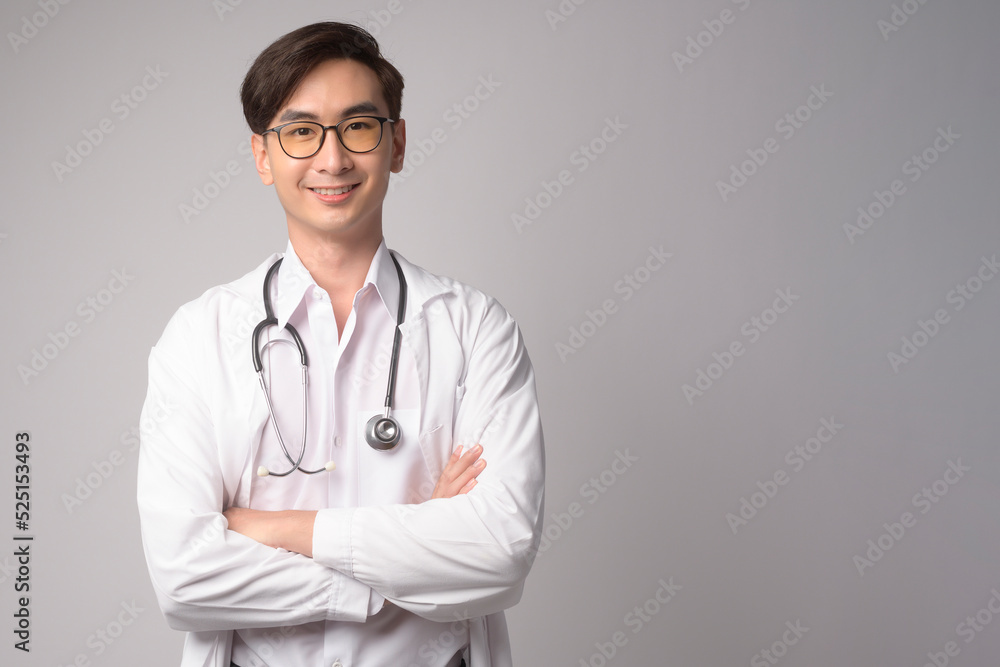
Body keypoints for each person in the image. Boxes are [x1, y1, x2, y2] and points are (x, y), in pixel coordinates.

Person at [136, 21, 544, 667]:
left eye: (358, 126)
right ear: (263, 156)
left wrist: (272, 529)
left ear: (397, 142)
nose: (332, 159)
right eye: (301, 132)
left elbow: (500, 550)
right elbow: (184, 578)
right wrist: (396, 573)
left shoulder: (474, 330)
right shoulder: (200, 336)